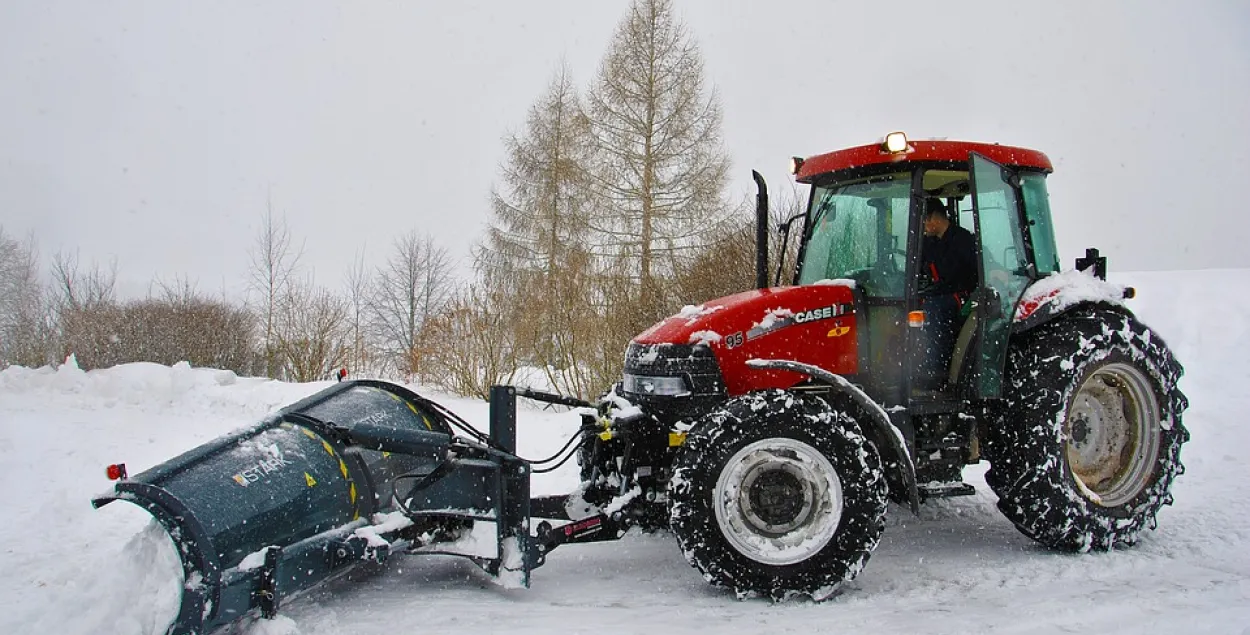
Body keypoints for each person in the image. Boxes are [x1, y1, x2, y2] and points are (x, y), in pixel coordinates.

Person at [917, 198, 978, 389]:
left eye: (925, 221)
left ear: (934, 219)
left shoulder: (963, 240)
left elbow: (972, 273)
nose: (924, 227)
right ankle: (919, 363)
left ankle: (937, 369)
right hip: (940, 291)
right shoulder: (931, 243)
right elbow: (920, 265)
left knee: (934, 309)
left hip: (963, 295)